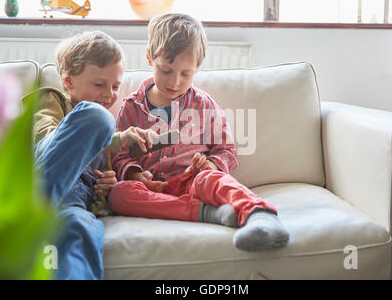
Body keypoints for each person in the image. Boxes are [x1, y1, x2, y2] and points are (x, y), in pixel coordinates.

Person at [110, 13, 290, 252]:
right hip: (154, 190)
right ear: (150, 58)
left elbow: (225, 148)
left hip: (194, 181)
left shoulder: (203, 104)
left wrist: (211, 166)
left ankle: (260, 215)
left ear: (197, 68)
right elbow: (120, 153)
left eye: (185, 74)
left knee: (213, 179)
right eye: (166, 71)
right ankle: (207, 213)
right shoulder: (132, 107)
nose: (175, 81)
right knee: (119, 194)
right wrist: (134, 174)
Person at [28, 30, 157, 279]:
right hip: (34, 179)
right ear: (69, 82)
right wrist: (115, 139)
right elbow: (43, 139)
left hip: (69, 207)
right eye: (99, 85)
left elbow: (97, 202)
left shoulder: (107, 133)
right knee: (96, 117)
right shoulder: (52, 100)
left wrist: (106, 190)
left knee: (82, 226)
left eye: (115, 86)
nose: (109, 94)